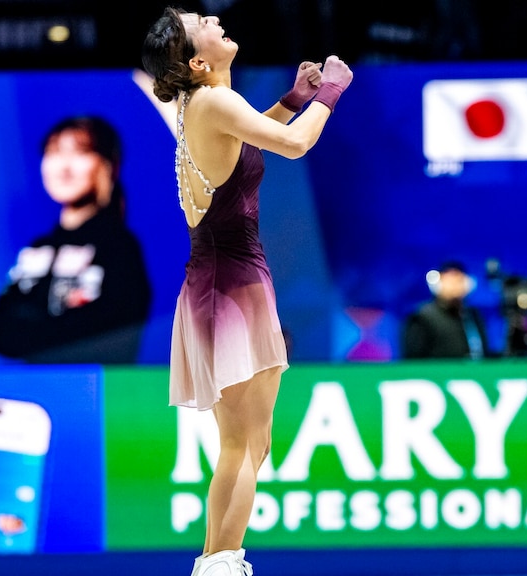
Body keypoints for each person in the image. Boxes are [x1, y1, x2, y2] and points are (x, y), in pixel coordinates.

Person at [142, 7, 352, 576]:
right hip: (228, 285)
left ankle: (219, 560)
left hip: (225, 282)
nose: (214, 15)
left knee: (250, 443)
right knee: (241, 443)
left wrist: (293, 97)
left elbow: (250, 142)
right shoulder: (212, 101)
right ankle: (218, 564)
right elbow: (292, 146)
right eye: (200, 22)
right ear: (198, 61)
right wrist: (330, 92)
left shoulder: (205, 105)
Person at [0, 116, 153, 364]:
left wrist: (36, 323)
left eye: (80, 152)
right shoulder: (36, 249)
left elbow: (111, 331)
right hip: (33, 390)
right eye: (53, 151)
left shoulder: (120, 247)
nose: (64, 166)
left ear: (108, 165)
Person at [402, 260, 491, 360]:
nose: (454, 287)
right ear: (437, 285)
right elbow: (414, 360)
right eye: (449, 281)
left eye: (458, 281)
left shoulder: (473, 315)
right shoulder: (422, 316)